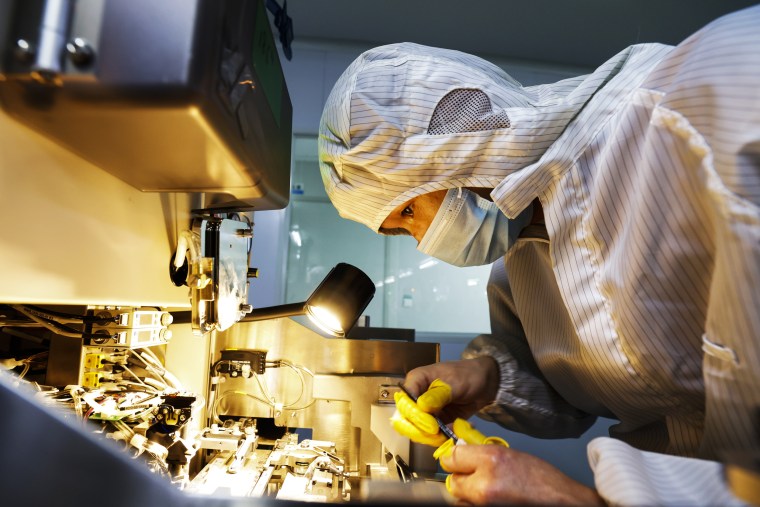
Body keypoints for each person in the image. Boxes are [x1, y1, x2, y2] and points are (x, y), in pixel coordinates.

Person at [318, 5, 760, 506]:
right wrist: (484, 379)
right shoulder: (522, 263)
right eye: (399, 234)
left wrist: (572, 500)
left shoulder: (711, 108)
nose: (422, 242)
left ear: (453, 149)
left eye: (410, 214)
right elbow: (572, 391)